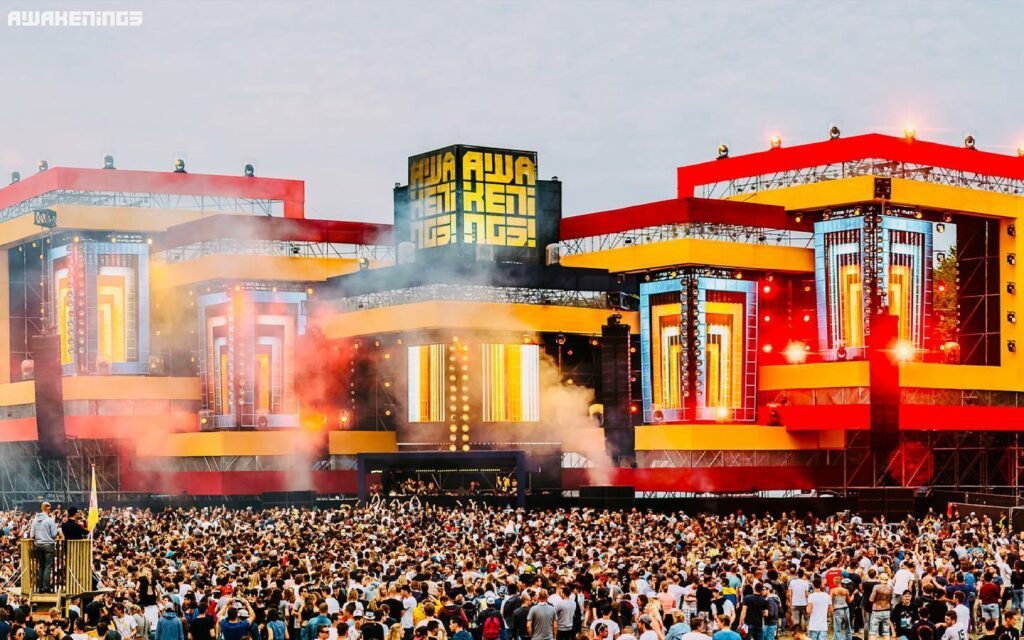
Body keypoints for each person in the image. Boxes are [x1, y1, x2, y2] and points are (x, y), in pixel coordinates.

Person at [28, 502, 58, 593]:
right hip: (48, 545)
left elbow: (32, 535)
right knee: (47, 567)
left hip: (38, 545)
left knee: (41, 566)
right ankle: (46, 588)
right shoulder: (49, 520)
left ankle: (40, 588)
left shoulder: (34, 520)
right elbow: (54, 534)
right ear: (48, 509)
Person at [868, 575, 894, 640]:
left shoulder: (876, 587)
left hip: (876, 610)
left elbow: (871, 599)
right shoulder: (890, 587)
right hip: (886, 610)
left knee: (873, 632)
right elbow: (891, 599)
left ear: (880, 579)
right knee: (886, 632)